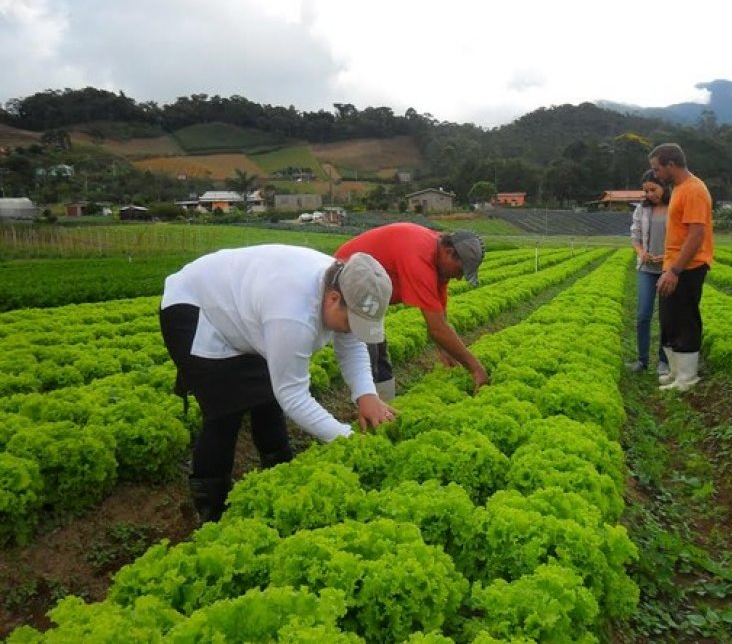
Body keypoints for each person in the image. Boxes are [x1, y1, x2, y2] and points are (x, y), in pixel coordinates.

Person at [159, 245, 397, 522]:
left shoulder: (345, 285)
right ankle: (213, 510)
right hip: (195, 307)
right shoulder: (292, 313)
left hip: (245, 306)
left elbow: (351, 344)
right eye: (351, 321)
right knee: (224, 412)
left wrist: (366, 394)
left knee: (266, 401)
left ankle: (281, 475)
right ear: (333, 299)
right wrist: (346, 438)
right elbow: (293, 396)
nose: (352, 329)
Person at [335, 223, 488, 400]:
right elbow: (437, 328)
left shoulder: (438, 259)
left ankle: (386, 407)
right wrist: (475, 368)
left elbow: (440, 315)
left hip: (370, 295)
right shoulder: (419, 256)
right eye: (460, 270)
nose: (459, 277)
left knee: (379, 350)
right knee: (368, 352)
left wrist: (445, 349)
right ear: (449, 253)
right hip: (347, 281)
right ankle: (370, 413)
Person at [648, 143, 714, 391]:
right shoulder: (678, 188)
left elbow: (697, 235)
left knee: (685, 317)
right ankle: (676, 372)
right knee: (669, 317)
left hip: (689, 266)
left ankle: (687, 378)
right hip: (673, 264)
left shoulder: (694, 190)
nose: (655, 174)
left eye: (657, 169)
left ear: (671, 165)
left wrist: (675, 271)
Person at [627, 169, 671, 376]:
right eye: (646, 191)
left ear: (664, 186)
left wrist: (667, 258)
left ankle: (664, 360)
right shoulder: (642, 210)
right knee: (643, 315)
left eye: (653, 189)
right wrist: (641, 252)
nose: (649, 195)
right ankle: (642, 360)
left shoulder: (675, 207)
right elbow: (635, 236)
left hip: (668, 269)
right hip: (646, 268)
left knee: (665, 317)